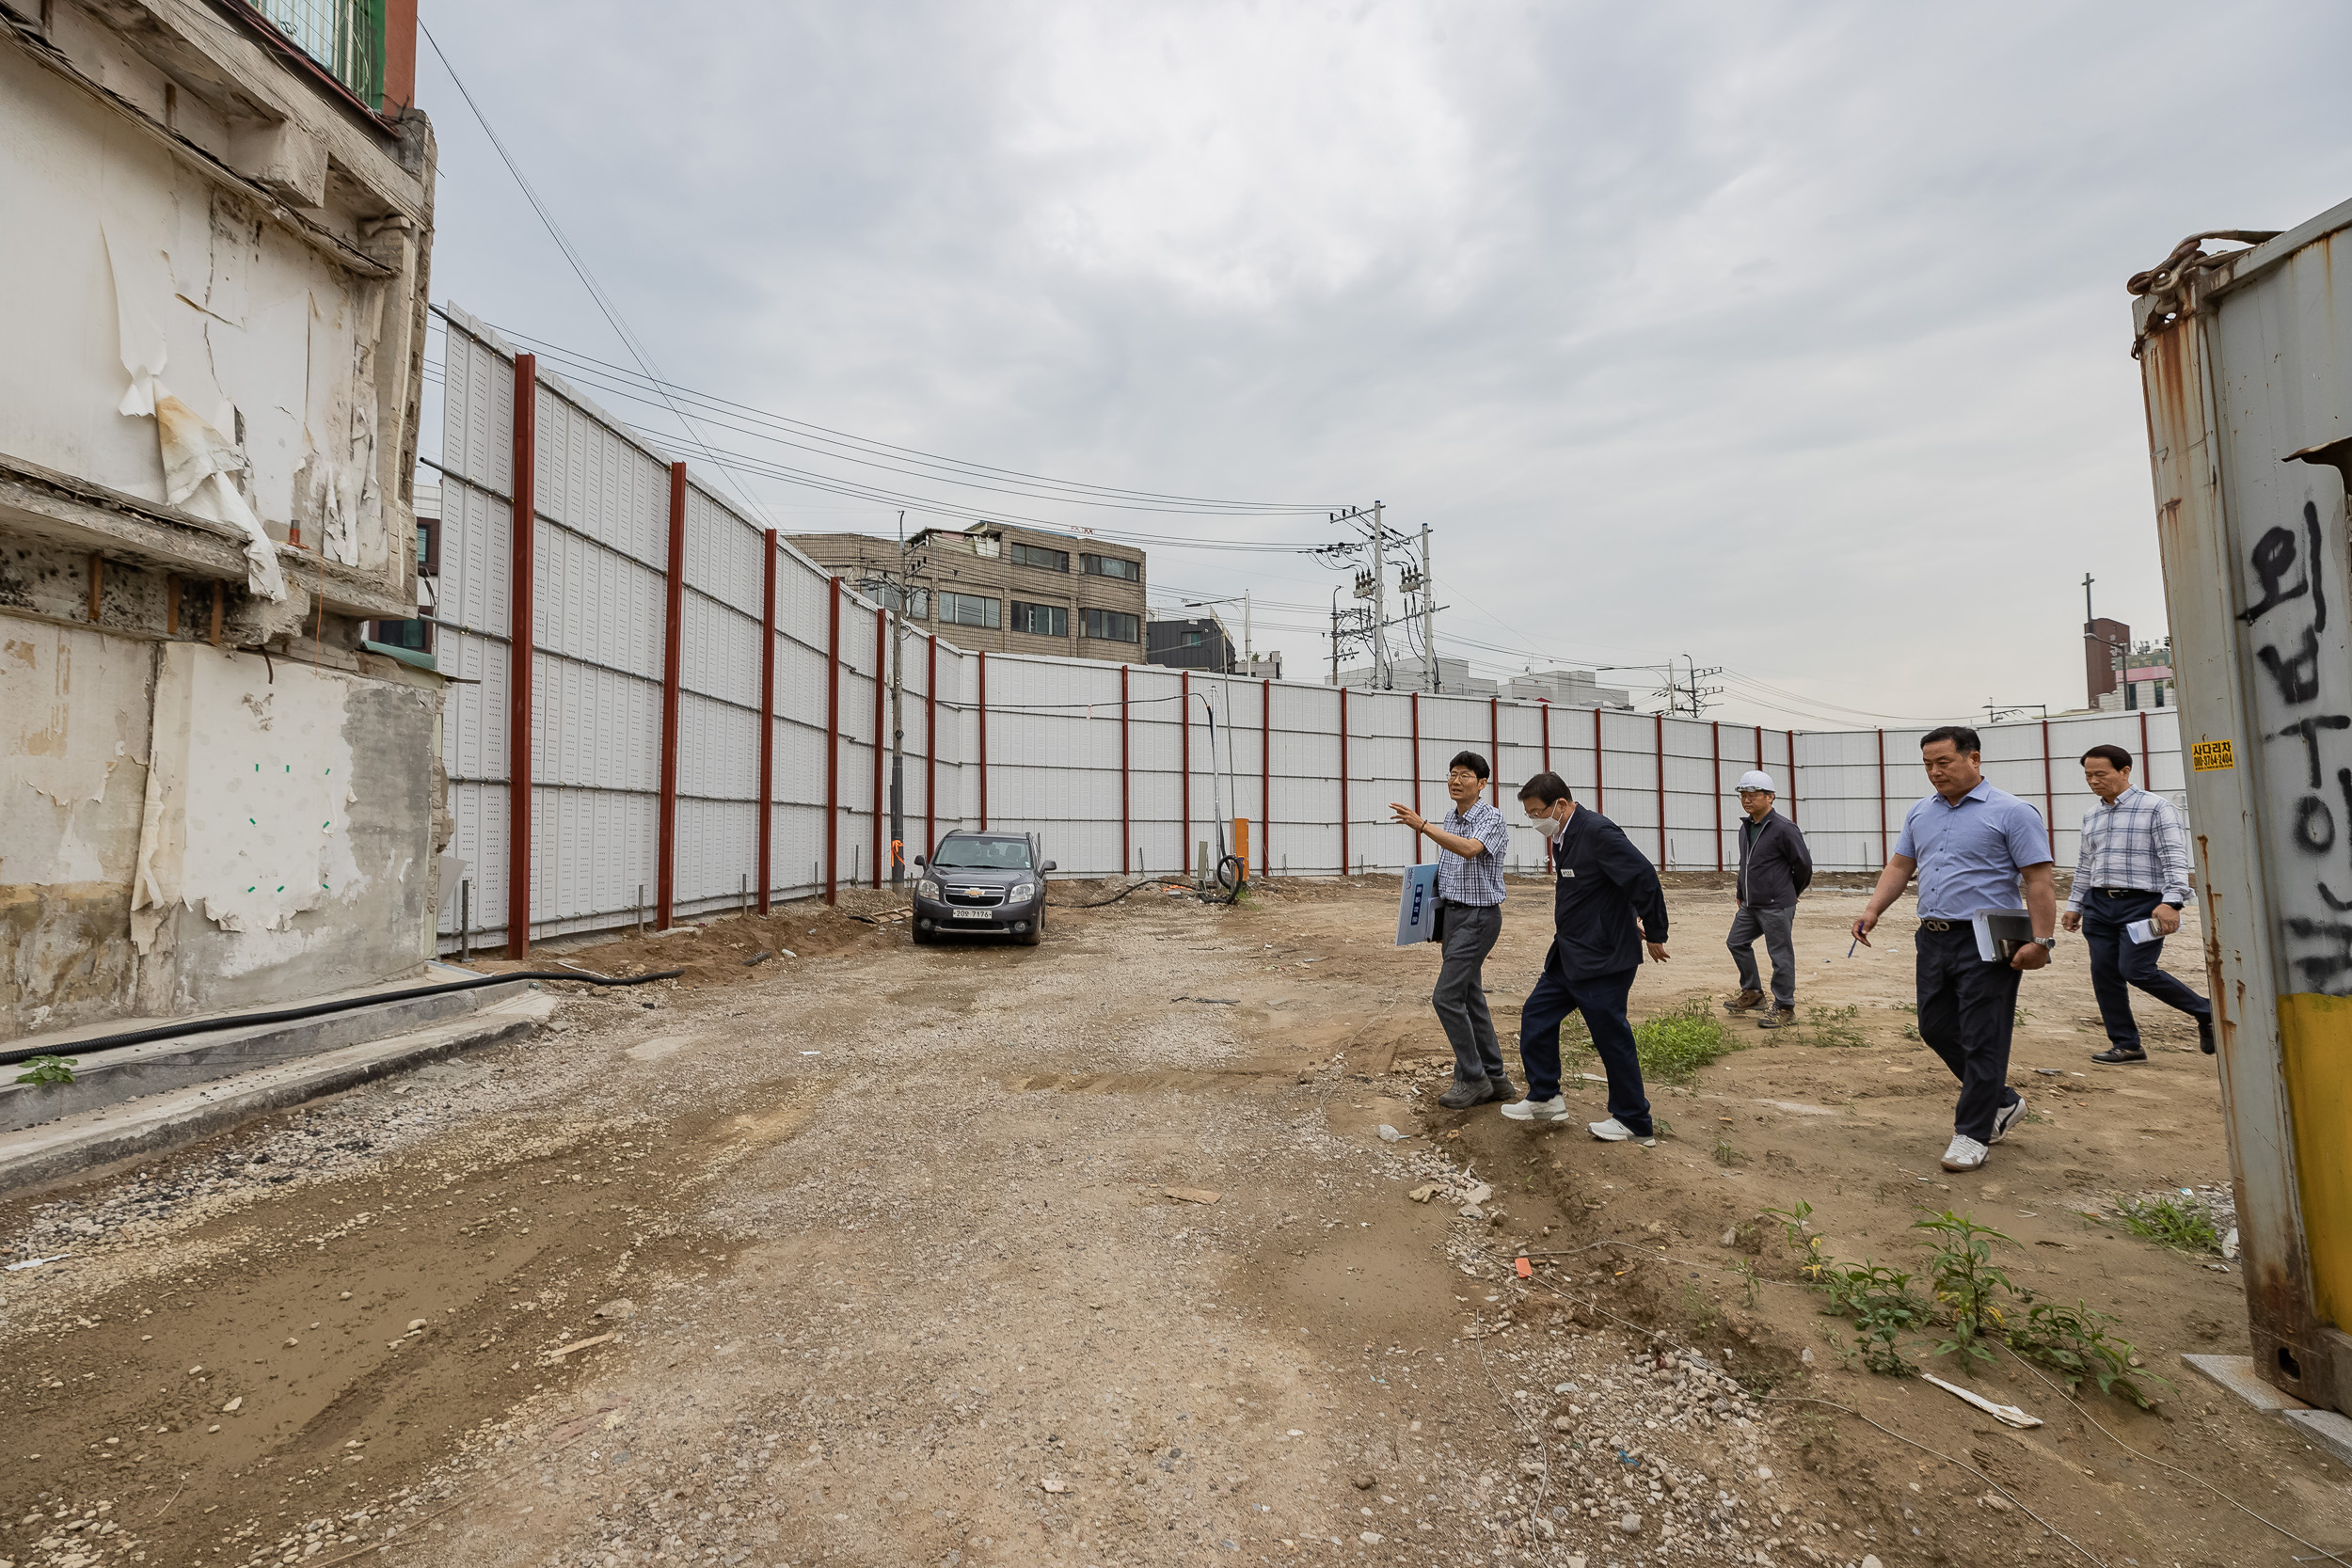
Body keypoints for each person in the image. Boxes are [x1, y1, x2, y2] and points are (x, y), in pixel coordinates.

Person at [1852, 726, 2056, 1174]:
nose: (1934, 771)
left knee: (1985, 1034)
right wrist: (1873, 909)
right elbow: (1901, 866)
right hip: (1934, 935)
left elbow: (2038, 878)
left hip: (1988, 937)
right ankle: (2001, 1101)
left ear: (1974, 759)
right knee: (1936, 1026)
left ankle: (1973, 1133)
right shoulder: (1920, 813)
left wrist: (2042, 942)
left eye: (1943, 762)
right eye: (1927, 764)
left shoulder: (2012, 812)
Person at [1500, 770, 1671, 1140]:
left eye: (1537, 813)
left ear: (1560, 804)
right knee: (1537, 1015)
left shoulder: (1597, 832)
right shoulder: (1564, 835)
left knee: (1611, 1038)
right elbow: (1605, 886)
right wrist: (1624, 915)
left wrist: (1655, 931)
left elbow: (1641, 876)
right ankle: (1545, 1099)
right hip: (1570, 954)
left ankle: (1634, 1122)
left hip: (1602, 959)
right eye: (1529, 815)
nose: (1535, 821)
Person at [2063, 743, 2213, 1063]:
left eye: (2100, 774)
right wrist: (2075, 904)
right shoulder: (2092, 815)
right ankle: (2127, 1045)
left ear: (2125, 770)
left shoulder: (2156, 808)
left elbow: (2174, 858)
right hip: (2099, 905)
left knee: (2137, 969)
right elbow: (2085, 865)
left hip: (2143, 905)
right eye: (2088, 775)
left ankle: (2205, 1010)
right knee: (2104, 973)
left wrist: (2173, 901)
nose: (2093, 781)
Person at [1391, 752, 1518, 1108]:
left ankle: (1473, 1077)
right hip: (1456, 917)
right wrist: (1432, 918)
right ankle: (1496, 1077)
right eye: (1451, 774)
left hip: (1479, 918)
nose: (1455, 780)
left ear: (1482, 783)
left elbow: (1469, 850)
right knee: (1469, 996)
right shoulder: (1452, 817)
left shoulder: (1491, 817)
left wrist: (1422, 826)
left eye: (1464, 775)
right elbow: (1449, 870)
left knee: (1445, 997)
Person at [1722, 769, 1812, 1029]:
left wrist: (1791, 892)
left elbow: (1803, 865)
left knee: (1780, 955)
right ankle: (1753, 993)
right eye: (1743, 795)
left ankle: (1785, 1006)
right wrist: (1741, 892)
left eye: (1753, 795)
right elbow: (1745, 864)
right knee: (1736, 942)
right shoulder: (1746, 827)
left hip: (1776, 904)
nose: (1747, 800)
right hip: (1750, 904)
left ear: (1770, 797)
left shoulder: (1784, 828)